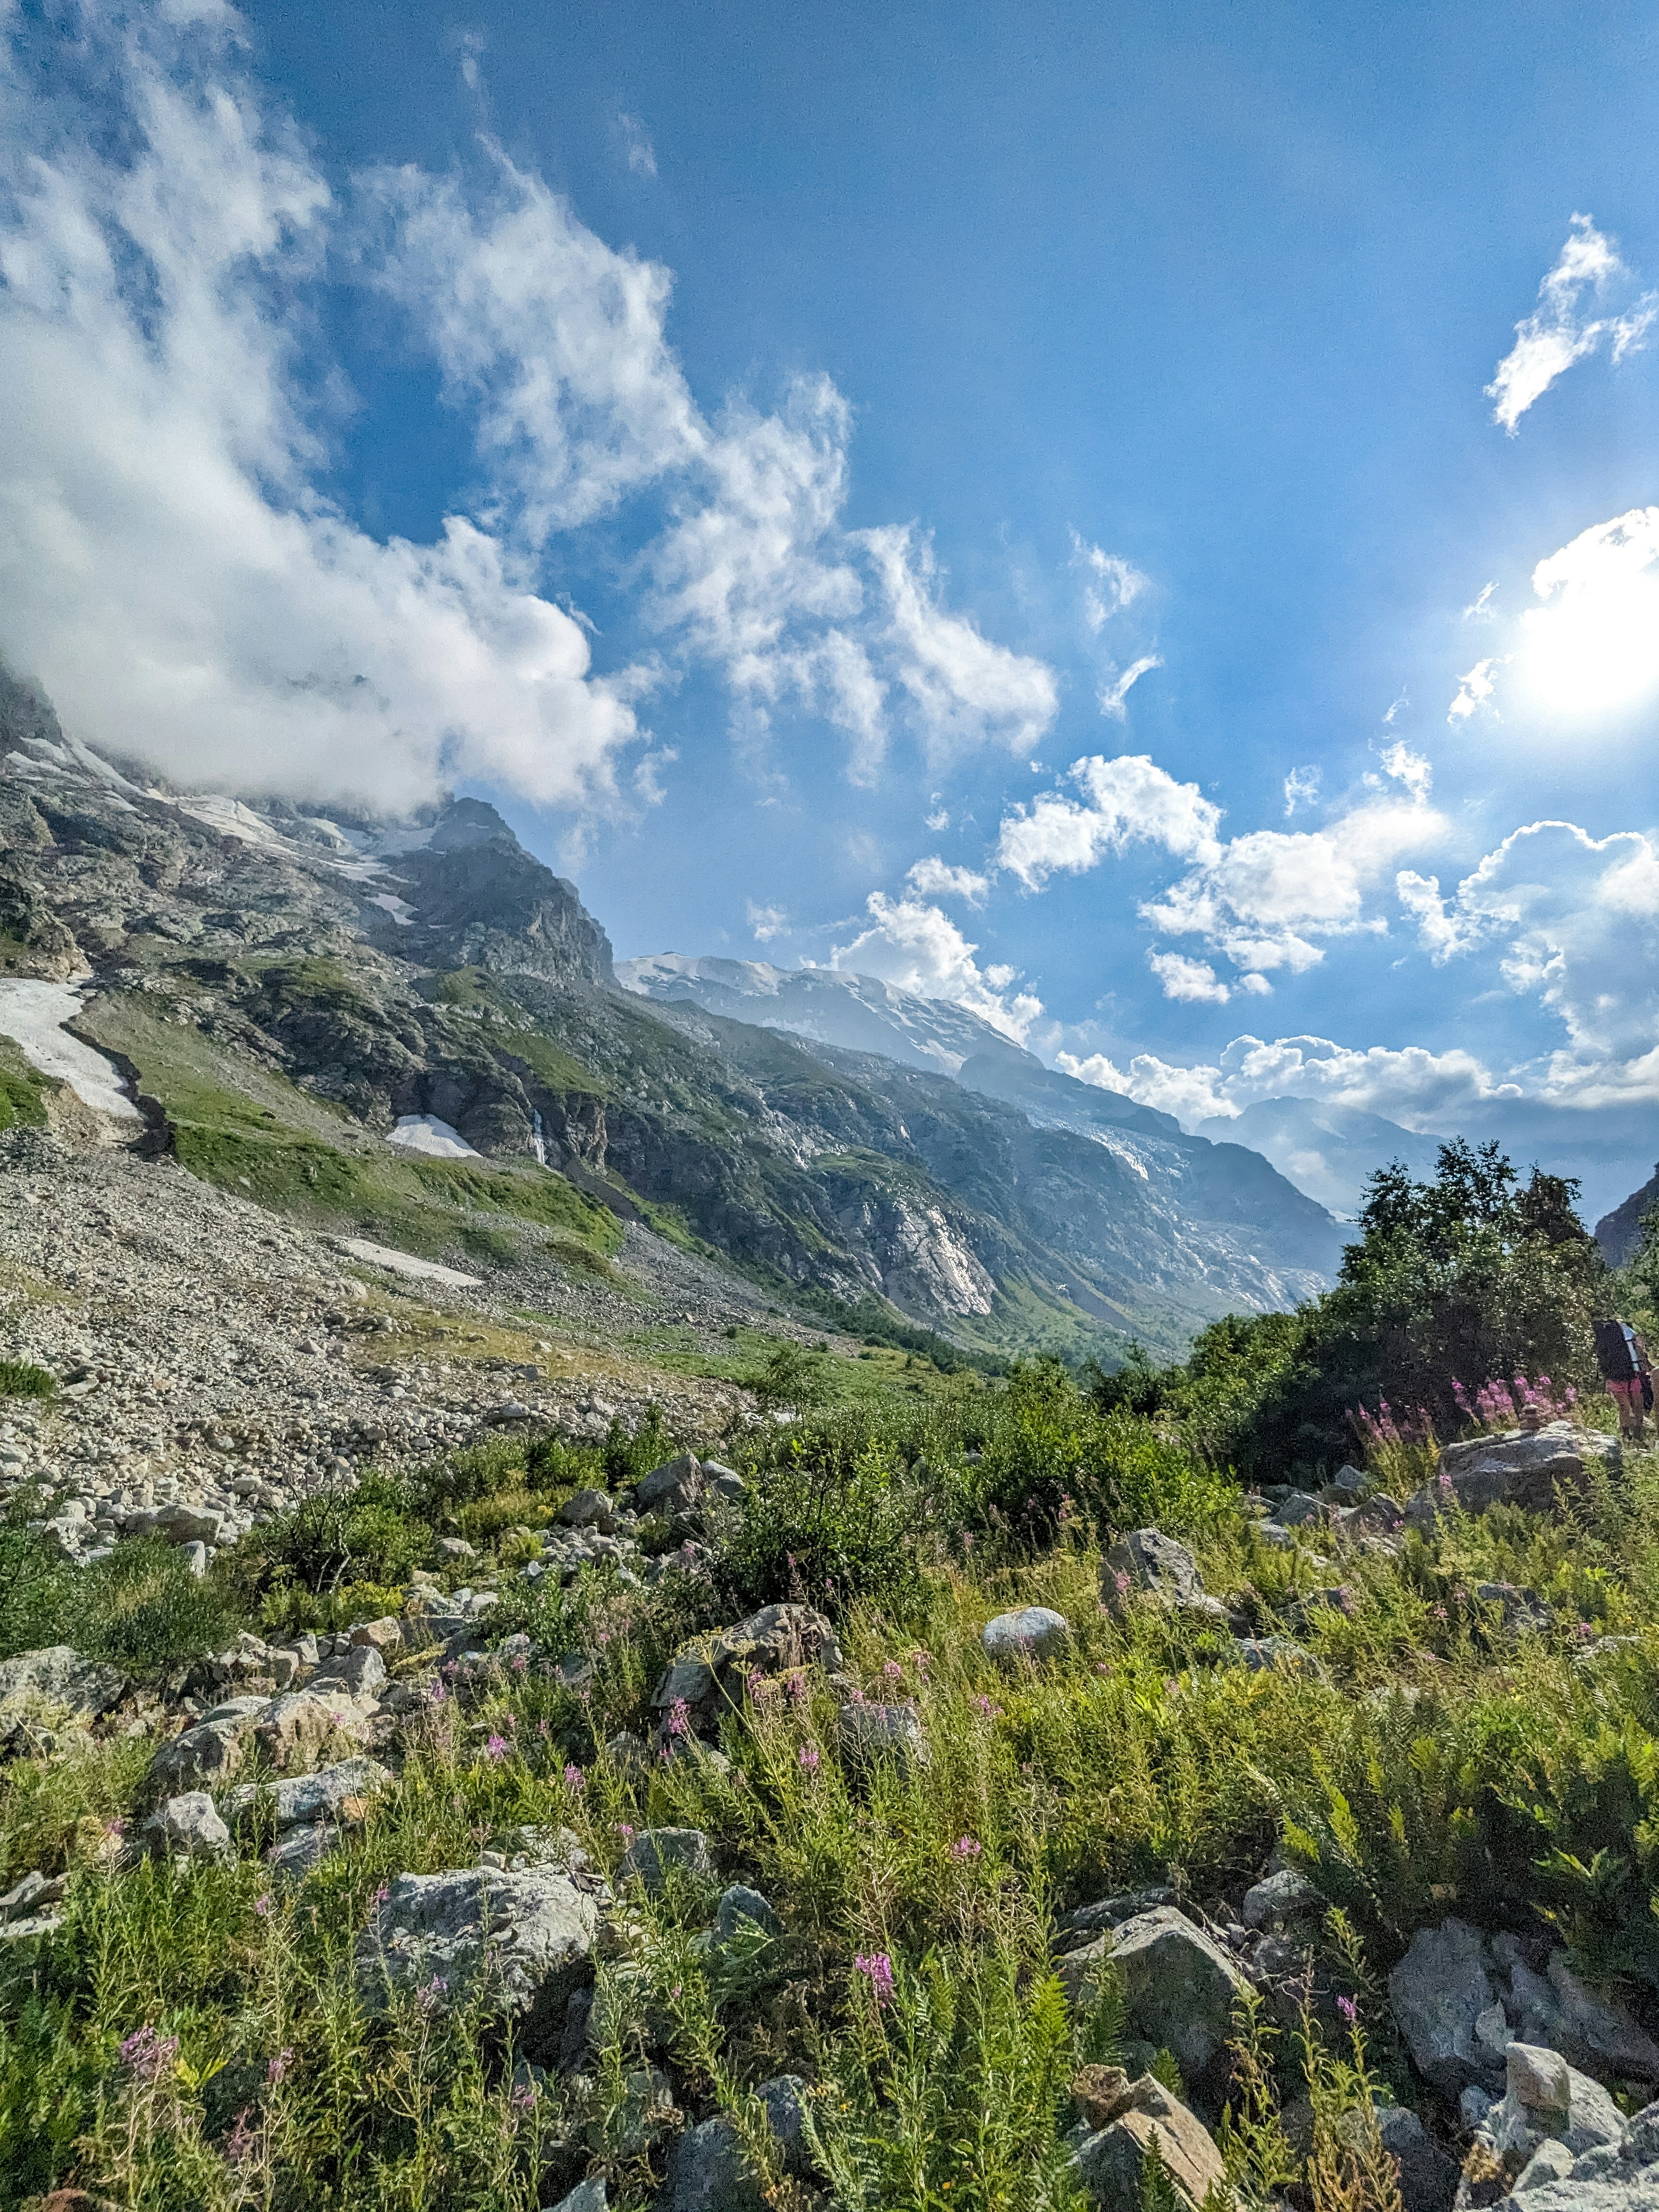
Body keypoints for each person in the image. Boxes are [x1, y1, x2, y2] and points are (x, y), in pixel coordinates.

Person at [1593, 1314, 1652, 1442]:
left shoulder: (1611, 1333)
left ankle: (1634, 1436)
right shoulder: (1624, 1330)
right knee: (1629, 1406)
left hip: (1625, 1375)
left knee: (1633, 1406)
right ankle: (1628, 1436)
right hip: (1625, 1375)